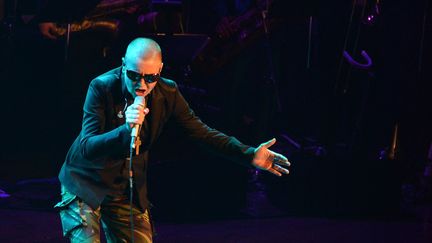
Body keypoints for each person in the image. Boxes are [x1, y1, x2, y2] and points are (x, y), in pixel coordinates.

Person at [55, 37, 290, 242]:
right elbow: (87, 147)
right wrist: (125, 131)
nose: (142, 85)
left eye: (151, 77)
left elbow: (202, 133)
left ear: (160, 70)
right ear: (124, 64)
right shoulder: (101, 87)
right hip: (85, 182)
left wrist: (248, 154)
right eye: (134, 76)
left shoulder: (167, 93)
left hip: (124, 187)